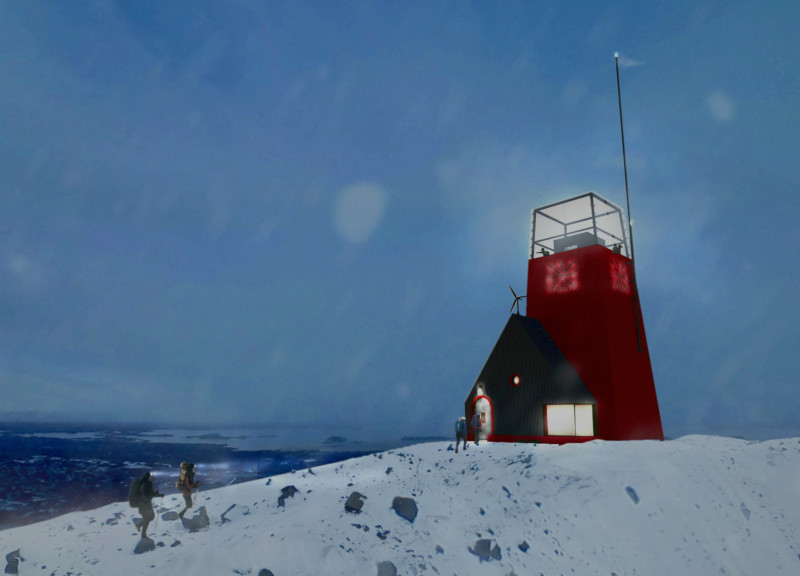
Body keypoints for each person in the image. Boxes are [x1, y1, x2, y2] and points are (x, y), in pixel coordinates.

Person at [136, 471, 163, 539]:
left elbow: (150, 494)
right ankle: (143, 534)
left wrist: (159, 495)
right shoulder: (144, 485)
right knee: (147, 518)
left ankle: (139, 524)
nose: (152, 478)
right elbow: (146, 495)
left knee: (151, 517)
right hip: (143, 505)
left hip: (147, 505)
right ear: (147, 478)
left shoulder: (148, 484)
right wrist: (155, 494)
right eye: (150, 477)